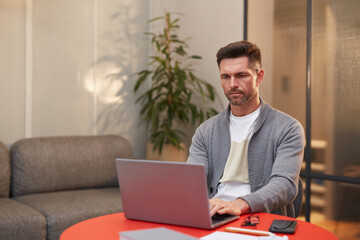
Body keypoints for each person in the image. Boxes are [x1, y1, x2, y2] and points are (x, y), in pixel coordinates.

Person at [187, 40, 305, 218]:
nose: (232, 84)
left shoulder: (288, 128)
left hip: (259, 217)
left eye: (241, 75)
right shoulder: (206, 131)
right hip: (215, 215)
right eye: (225, 76)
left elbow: (285, 185)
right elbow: (191, 182)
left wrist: (239, 204)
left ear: (259, 76)